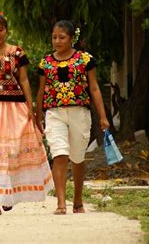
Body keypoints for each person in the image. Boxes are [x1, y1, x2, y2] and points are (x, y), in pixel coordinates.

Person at [0, 11, 54, 215]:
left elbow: (23, 80)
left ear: (7, 31)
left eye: (1, 30)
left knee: (13, 149)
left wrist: (31, 108)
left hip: (15, 106)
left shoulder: (17, 52)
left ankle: (9, 194)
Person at [36, 20, 110, 215]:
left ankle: (77, 200)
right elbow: (41, 91)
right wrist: (38, 115)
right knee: (59, 154)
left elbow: (94, 88)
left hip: (80, 112)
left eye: (62, 37)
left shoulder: (85, 60)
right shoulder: (46, 63)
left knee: (77, 157)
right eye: (54, 37)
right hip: (54, 113)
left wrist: (102, 116)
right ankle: (61, 203)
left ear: (71, 39)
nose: (57, 41)